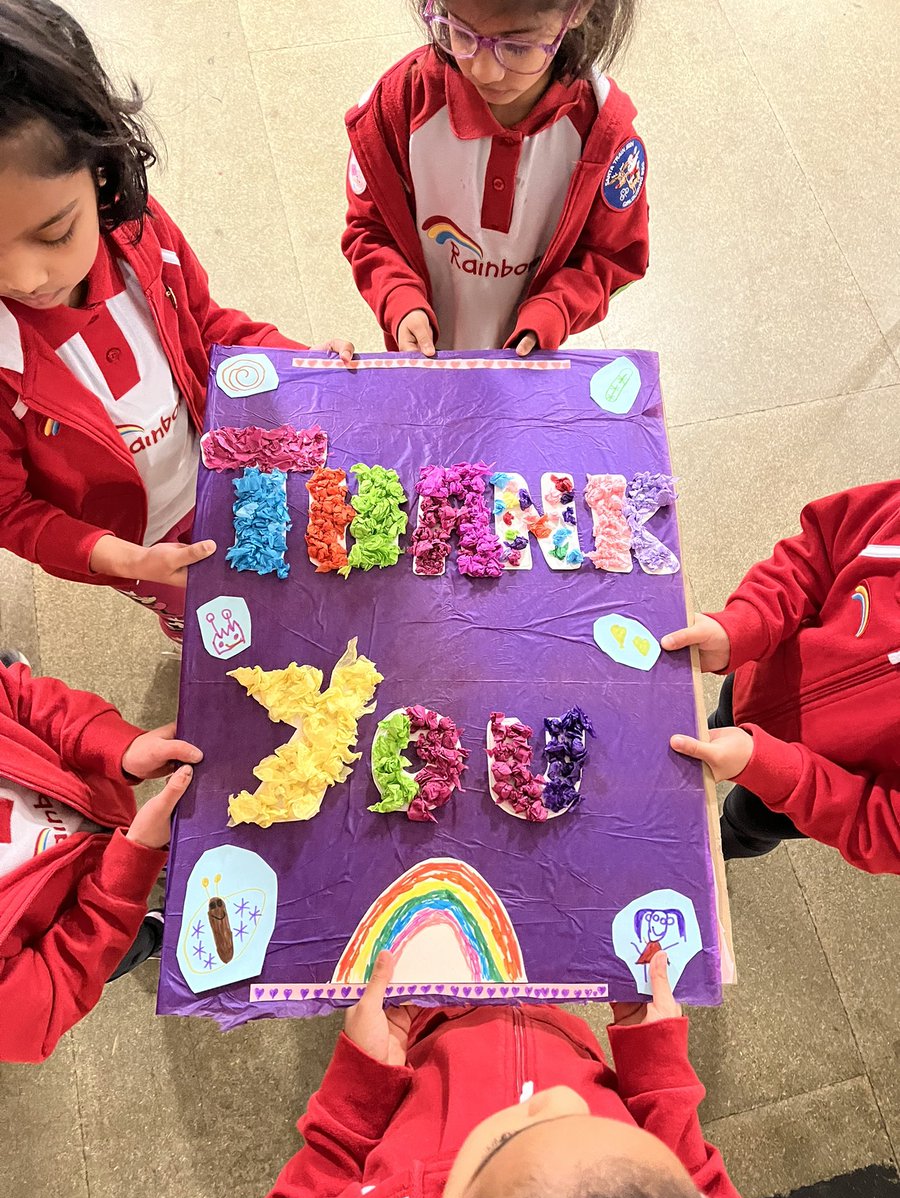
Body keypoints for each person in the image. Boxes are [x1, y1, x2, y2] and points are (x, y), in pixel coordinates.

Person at [0, 1, 354, 641]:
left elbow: (211, 330)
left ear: (104, 174)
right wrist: (124, 559)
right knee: (204, 619)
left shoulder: (142, 237)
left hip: (218, 468)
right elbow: (11, 510)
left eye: (55, 233)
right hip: (136, 545)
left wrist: (300, 367)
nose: (26, 280)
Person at [265, 950, 739, 1198]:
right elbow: (693, 1173)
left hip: (424, 1031)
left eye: (502, 1145)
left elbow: (315, 1180)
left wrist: (361, 1083)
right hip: (551, 1023)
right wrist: (654, 1065)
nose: (562, 1101)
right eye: (598, 1123)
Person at [342, 0, 648, 357]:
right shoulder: (400, 105)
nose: (484, 72)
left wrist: (557, 309)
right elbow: (369, 227)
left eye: (517, 46)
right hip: (423, 351)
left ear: (577, 11)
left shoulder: (605, 140)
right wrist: (397, 296)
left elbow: (613, 255)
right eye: (460, 31)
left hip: (525, 357)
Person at [664, 479, 900, 875]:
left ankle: (712, 855)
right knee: (712, 729)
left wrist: (780, 775)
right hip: (757, 682)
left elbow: (881, 826)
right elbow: (817, 554)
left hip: (809, 788)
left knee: (747, 822)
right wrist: (744, 625)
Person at [0, 656, 202, 1062]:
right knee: (125, 944)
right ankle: (155, 932)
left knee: (164, 852)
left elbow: (21, 701)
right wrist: (130, 866)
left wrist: (120, 747)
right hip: (84, 924)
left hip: (106, 814)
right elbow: (50, 997)